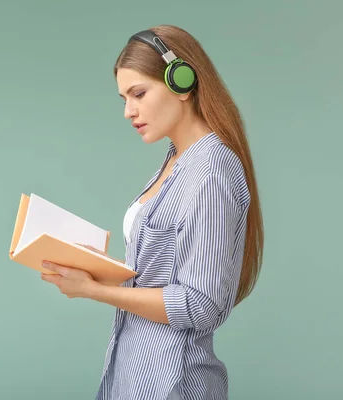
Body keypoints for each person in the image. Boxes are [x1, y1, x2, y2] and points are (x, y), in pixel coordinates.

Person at [40, 24, 264, 400]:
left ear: (182, 82)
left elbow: (200, 304)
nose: (129, 111)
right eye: (123, 98)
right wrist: (99, 271)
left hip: (173, 382)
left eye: (139, 93)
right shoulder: (177, 159)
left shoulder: (210, 173)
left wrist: (95, 291)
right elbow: (162, 273)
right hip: (135, 373)